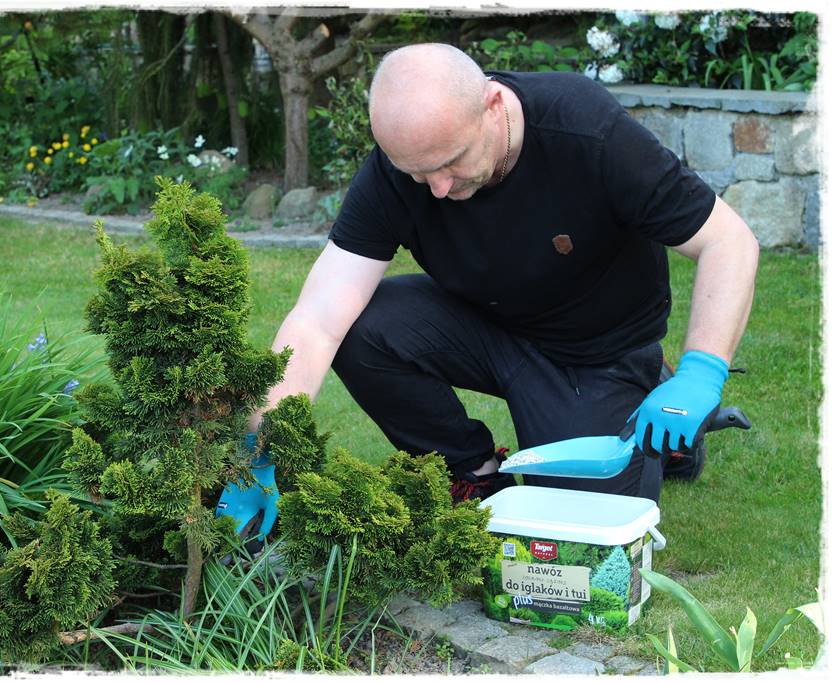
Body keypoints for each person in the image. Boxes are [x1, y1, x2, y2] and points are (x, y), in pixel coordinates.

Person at [217, 43, 758, 538]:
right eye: (419, 173)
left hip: (596, 355)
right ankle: (474, 475)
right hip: (490, 328)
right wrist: (263, 442)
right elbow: (316, 318)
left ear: (493, 104)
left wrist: (701, 372)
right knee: (362, 327)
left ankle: (663, 409)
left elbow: (729, 243)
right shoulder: (398, 171)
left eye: (451, 162)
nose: (439, 188)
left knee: (578, 525)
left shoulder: (586, 130)